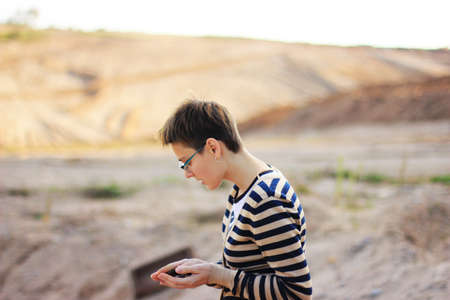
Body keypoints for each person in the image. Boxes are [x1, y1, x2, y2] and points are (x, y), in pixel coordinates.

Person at [151, 100, 312, 300]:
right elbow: (252, 268)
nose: (187, 174)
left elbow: (297, 292)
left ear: (212, 148)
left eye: (187, 162)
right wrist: (205, 272)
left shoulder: (265, 200)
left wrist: (219, 275)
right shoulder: (242, 190)